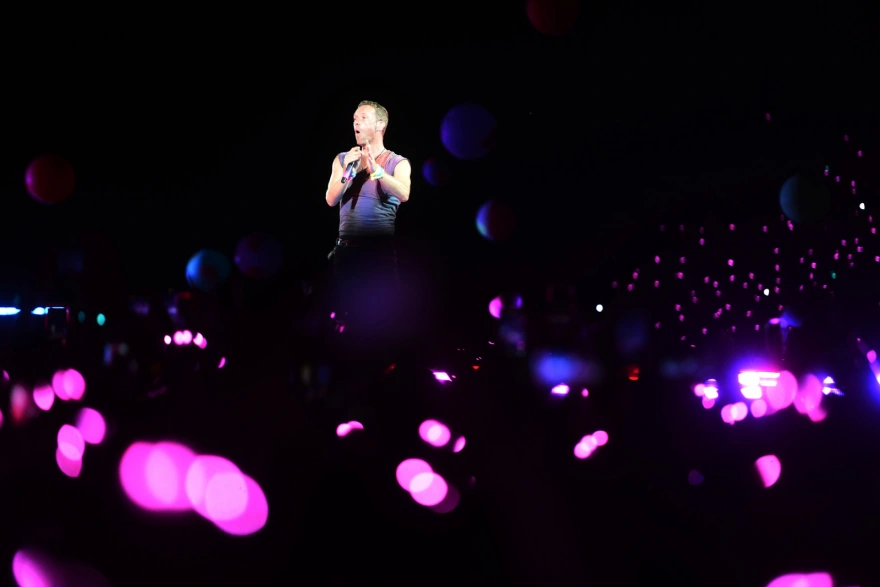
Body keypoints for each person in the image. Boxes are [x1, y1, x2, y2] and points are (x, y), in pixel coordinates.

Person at [324, 101, 411, 345]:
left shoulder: (398, 162)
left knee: (380, 320)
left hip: (377, 254)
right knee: (344, 321)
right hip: (345, 253)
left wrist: (379, 172)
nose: (356, 122)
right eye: (354, 118)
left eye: (363, 118)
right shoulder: (343, 159)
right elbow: (331, 199)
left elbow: (404, 193)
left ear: (380, 125)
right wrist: (348, 172)